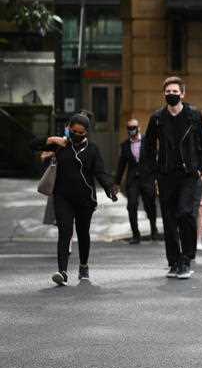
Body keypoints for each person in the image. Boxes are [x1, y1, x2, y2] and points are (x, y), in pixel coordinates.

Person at [31, 113, 118, 285]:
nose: (76, 134)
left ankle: (83, 266)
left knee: (83, 233)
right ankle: (62, 272)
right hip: (62, 197)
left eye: (81, 132)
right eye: (73, 131)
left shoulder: (92, 149)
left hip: (85, 200)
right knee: (65, 232)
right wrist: (53, 140)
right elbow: (32, 145)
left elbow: (100, 172)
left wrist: (110, 188)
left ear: (86, 132)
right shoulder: (60, 145)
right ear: (68, 128)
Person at [142, 76, 202, 280]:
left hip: (188, 174)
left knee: (185, 213)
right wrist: (154, 172)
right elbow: (148, 147)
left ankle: (186, 258)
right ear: (164, 94)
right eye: (168, 92)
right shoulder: (157, 118)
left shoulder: (193, 115)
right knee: (170, 220)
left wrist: (199, 168)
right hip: (165, 175)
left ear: (183, 94)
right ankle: (174, 261)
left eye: (175, 92)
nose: (171, 95)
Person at [114, 118, 159, 244]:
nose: (131, 130)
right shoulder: (124, 145)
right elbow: (121, 165)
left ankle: (153, 229)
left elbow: (155, 161)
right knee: (131, 205)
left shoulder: (148, 141)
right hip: (132, 180)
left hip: (147, 179)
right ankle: (135, 234)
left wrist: (156, 178)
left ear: (138, 127)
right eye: (129, 128)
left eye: (133, 127)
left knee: (150, 206)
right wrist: (116, 183)